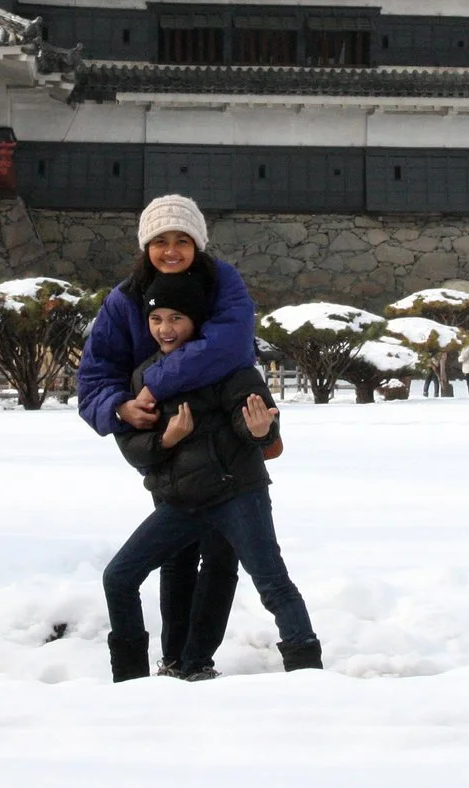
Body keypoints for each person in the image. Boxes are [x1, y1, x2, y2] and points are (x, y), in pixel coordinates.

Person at [100, 264, 322, 680]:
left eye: (176, 318)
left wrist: (260, 429)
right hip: (183, 502)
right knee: (119, 576)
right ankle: (129, 681)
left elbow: (252, 413)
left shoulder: (227, 364)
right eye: (156, 319)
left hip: (237, 494)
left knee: (272, 584)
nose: (165, 328)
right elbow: (134, 448)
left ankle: (307, 669)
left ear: (196, 320)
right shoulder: (144, 377)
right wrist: (167, 438)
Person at [75, 194, 259, 678]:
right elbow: (95, 375)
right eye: (160, 241)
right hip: (171, 448)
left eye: (182, 240)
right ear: (145, 246)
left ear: (198, 244)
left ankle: (198, 661)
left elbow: (230, 347)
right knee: (176, 556)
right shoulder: (124, 300)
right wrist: (120, 406)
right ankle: (169, 661)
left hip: (227, 445)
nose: (171, 251)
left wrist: (153, 381)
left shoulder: (224, 285)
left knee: (221, 558)